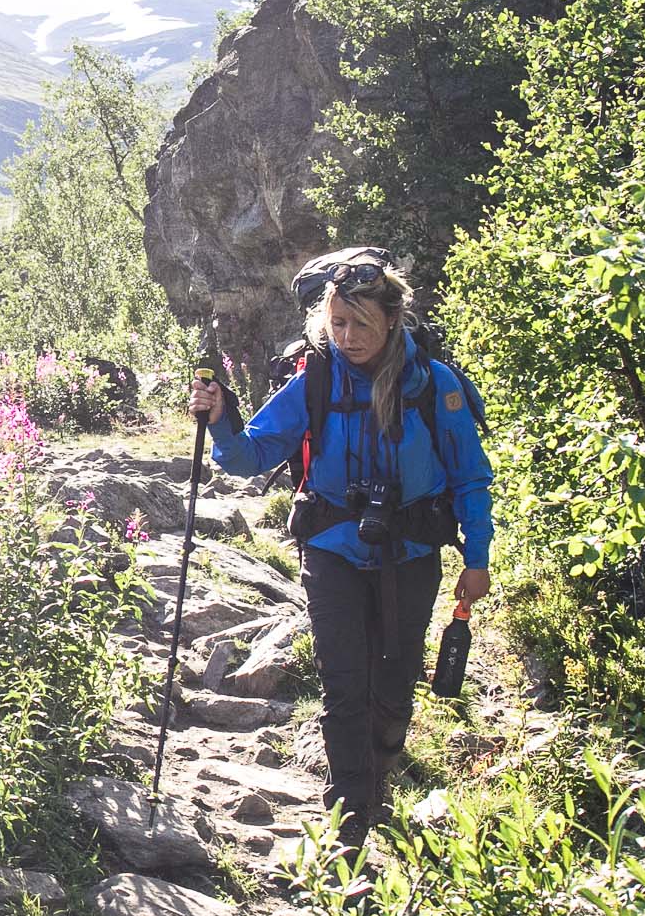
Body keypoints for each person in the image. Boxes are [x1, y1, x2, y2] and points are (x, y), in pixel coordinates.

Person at [188, 248, 493, 849]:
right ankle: (352, 816)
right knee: (344, 681)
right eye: (338, 324)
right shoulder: (315, 382)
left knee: (397, 680)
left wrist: (477, 557)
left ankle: (378, 766)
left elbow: (470, 475)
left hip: (411, 549)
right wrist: (221, 419)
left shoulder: (435, 385)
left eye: (361, 324)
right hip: (331, 549)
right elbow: (251, 456)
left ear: (391, 322)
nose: (349, 337)